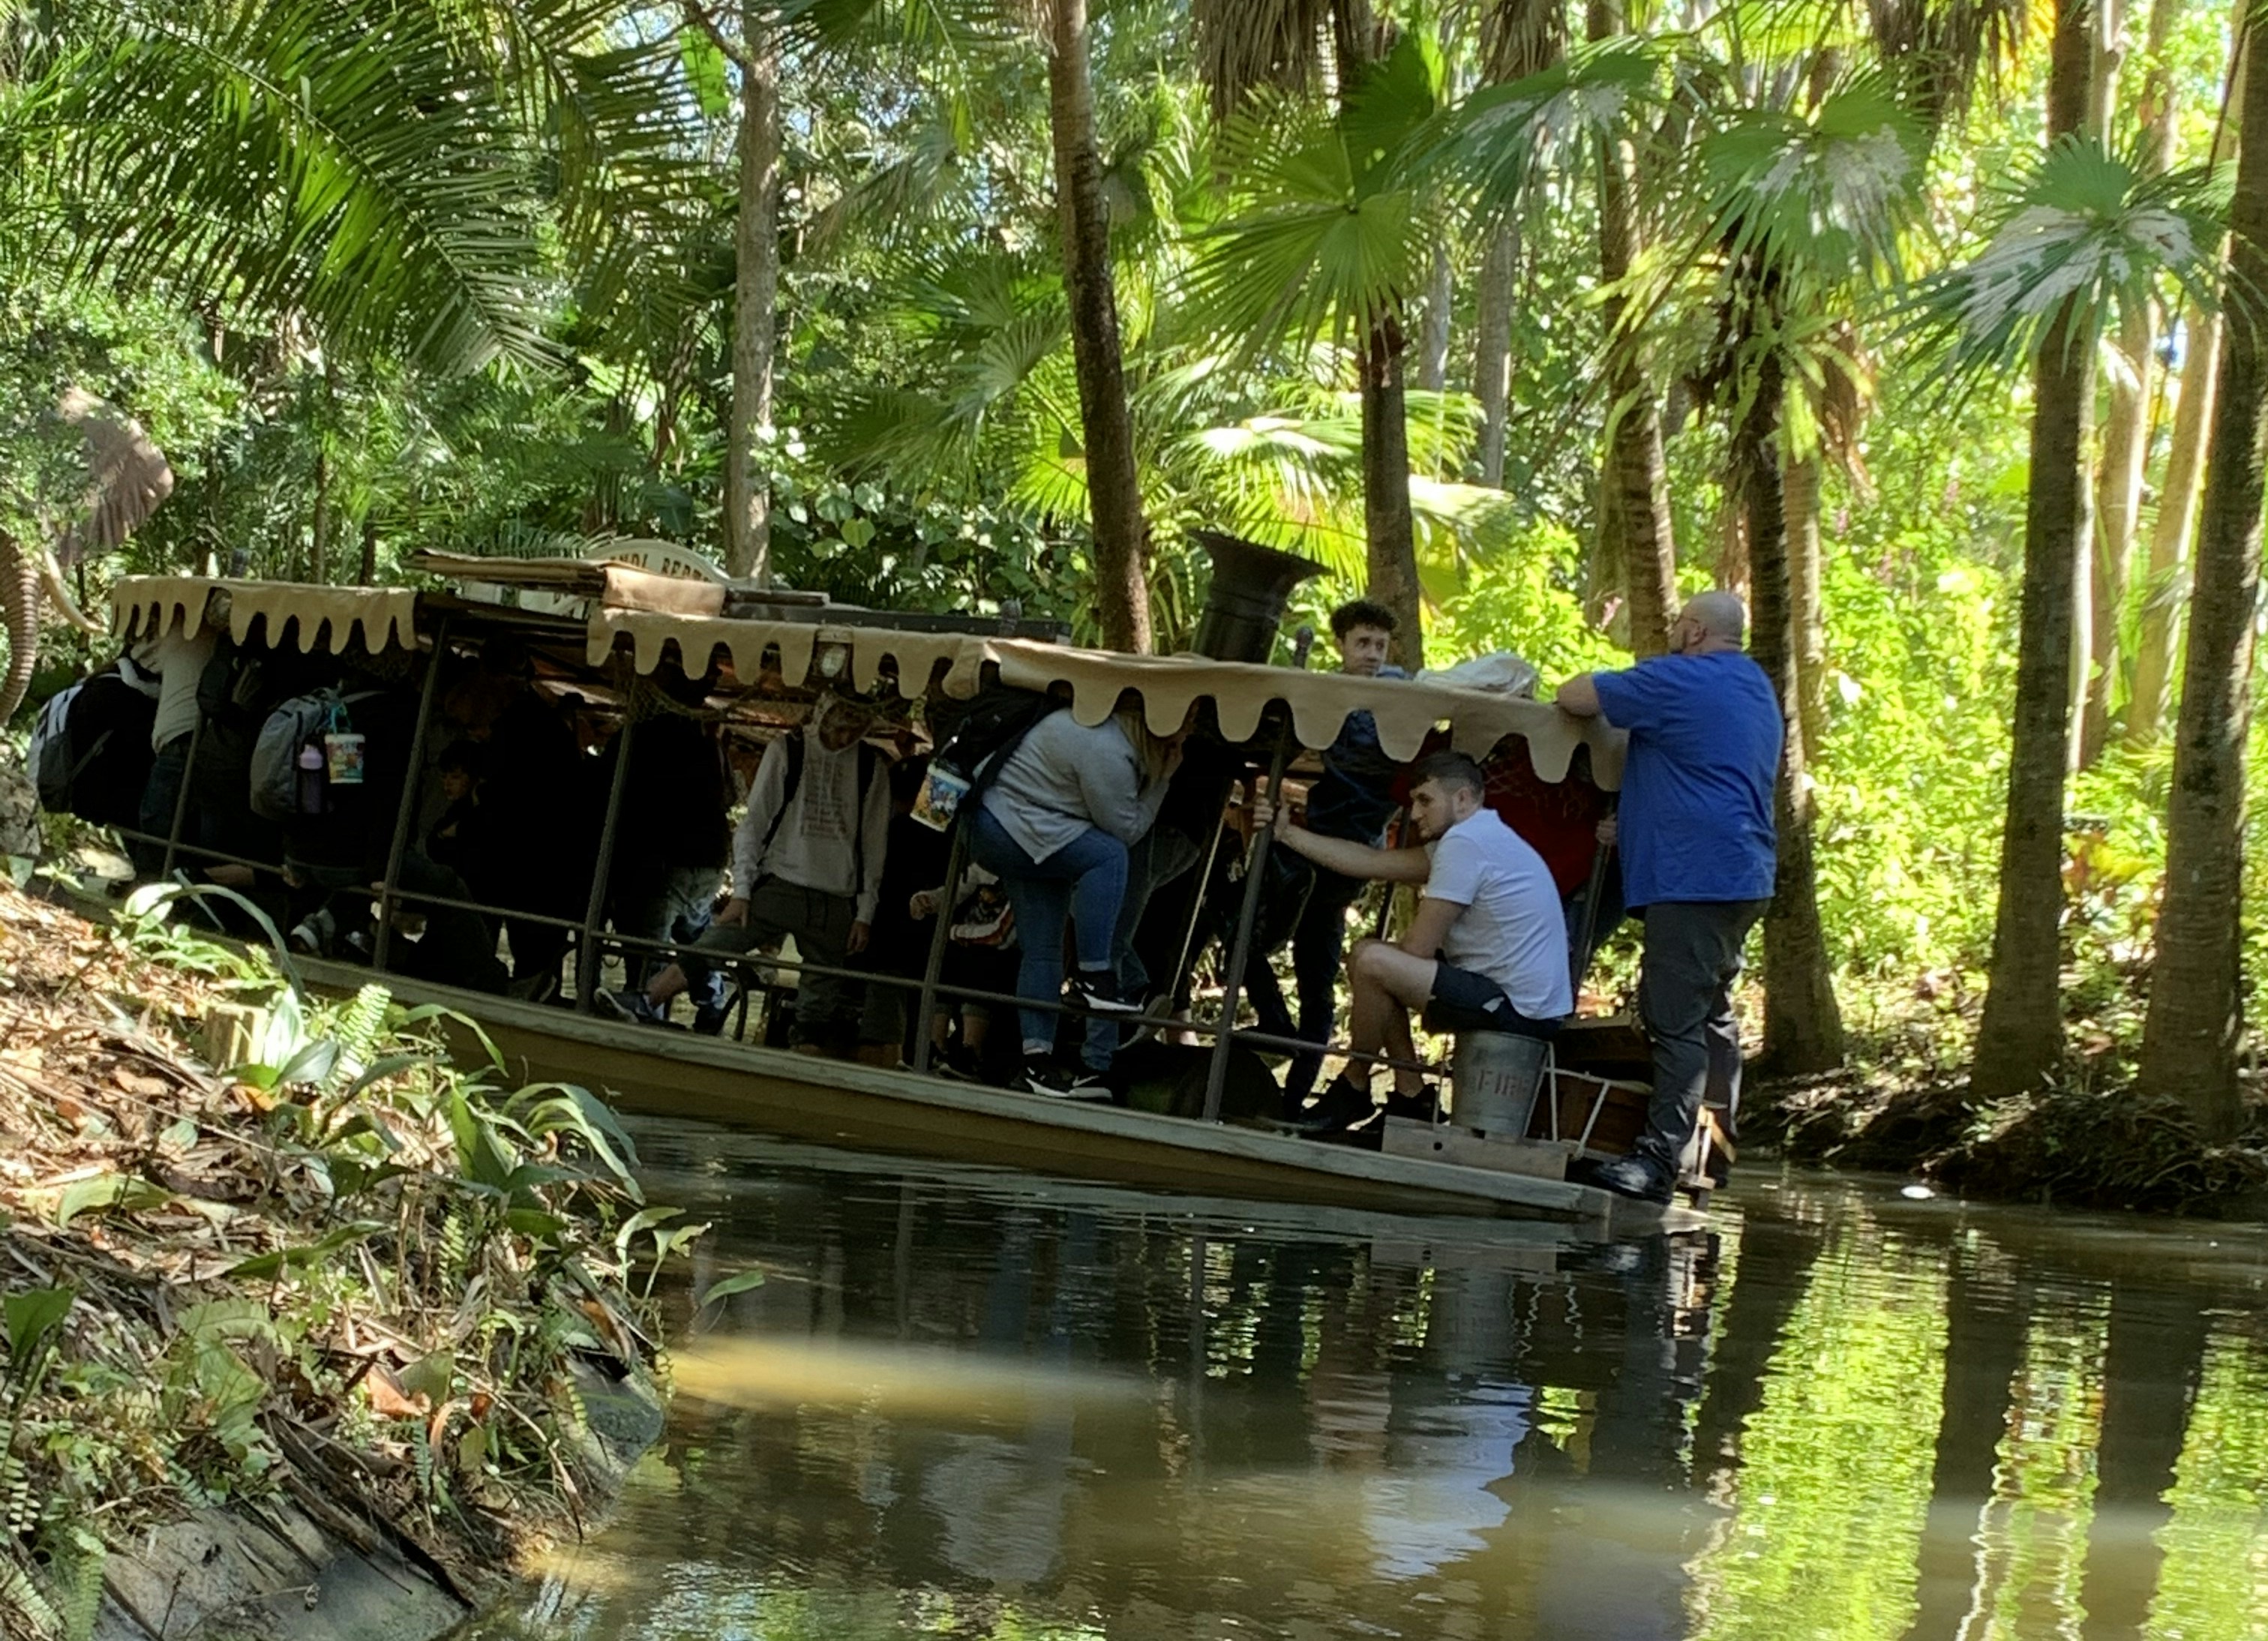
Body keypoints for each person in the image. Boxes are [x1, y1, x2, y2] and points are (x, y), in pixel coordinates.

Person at [1553, 590, 1780, 1203]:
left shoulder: (1680, 679)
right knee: (1713, 1010)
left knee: (1673, 1018)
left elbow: (1574, 695)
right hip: (1744, 872)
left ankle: (1657, 1161)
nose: (1675, 632)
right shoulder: (1754, 684)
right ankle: (1715, 1152)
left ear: (1697, 631)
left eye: (1681, 624)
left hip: (1696, 877)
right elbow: (1702, 766)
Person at [1256, 750, 1572, 1138]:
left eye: (1426, 801)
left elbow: (1418, 949)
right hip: (1513, 998)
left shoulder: (1468, 843)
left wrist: (1379, 975)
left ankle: (1355, 1082)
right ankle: (1410, 1094)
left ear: (1463, 799)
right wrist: (1287, 833)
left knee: (1371, 961)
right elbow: (1371, 862)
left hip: (1519, 1009)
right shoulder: (1476, 838)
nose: (1416, 813)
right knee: (1370, 959)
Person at [602, 692, 890, 1052]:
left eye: (855, 729)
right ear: (823, 715)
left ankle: (802, 1057)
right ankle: (649, 999)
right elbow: (755, 822)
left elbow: (874, 844)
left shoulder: (870, 767)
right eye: (840, 727)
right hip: (781, 882)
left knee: (818, 999)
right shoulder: (789, 749)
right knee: (713, 944)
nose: (845, 738)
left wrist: (864, 913)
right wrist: (743, 890)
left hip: (836, 896)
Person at [971, 701, 1183, 1099]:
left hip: (1007, 825)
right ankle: (1094, 975)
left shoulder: (1090, 723)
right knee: (1109, 855)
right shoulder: (1109, 748)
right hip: (1020, 827)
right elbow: (1127, 828)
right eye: (1177, 740)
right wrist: (1163, 781)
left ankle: (1036, 1064)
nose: (1181, 746)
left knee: (1042, 952)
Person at [1254, 598, 1407, 1104]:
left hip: (1334, 856)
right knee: (1308, 966)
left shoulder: (1391, 697)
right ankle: (1290, 1077)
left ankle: (1289, 1067)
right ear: (1341, 645)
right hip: (1325, 850)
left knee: (1271, 949)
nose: (1372, 654)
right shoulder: (1334, 699)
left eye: (1379, 645)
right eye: (1362, 643)